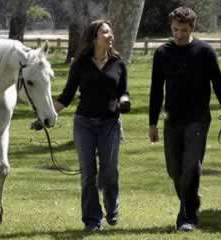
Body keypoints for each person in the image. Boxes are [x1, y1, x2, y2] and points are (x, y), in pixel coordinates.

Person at [148, 7, 221, 232]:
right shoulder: (162, 53)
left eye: (184, 30)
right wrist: (152, 123)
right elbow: (156, 90)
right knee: (173, 170)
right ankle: (192, 201)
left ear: (192, 28)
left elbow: (219, 83)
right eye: (175, 29)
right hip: (172, 119)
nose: (178, 35)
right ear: (171, 27)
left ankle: (187, 216)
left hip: (198, 119)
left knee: (191, 167)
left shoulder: (204, 52)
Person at [54, 19, 130, 232]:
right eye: (105, 32)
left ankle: (112, 207)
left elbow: (124, 91)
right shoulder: (80, 64)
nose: (110, 35)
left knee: (109, 171)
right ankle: (92, 220)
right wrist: (47, 116)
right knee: (88, 173)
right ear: (94, 37)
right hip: (84, 124)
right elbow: (67, 96)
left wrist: (124, 101)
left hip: (110, 124)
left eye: (110, 32)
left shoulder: (118, 63)